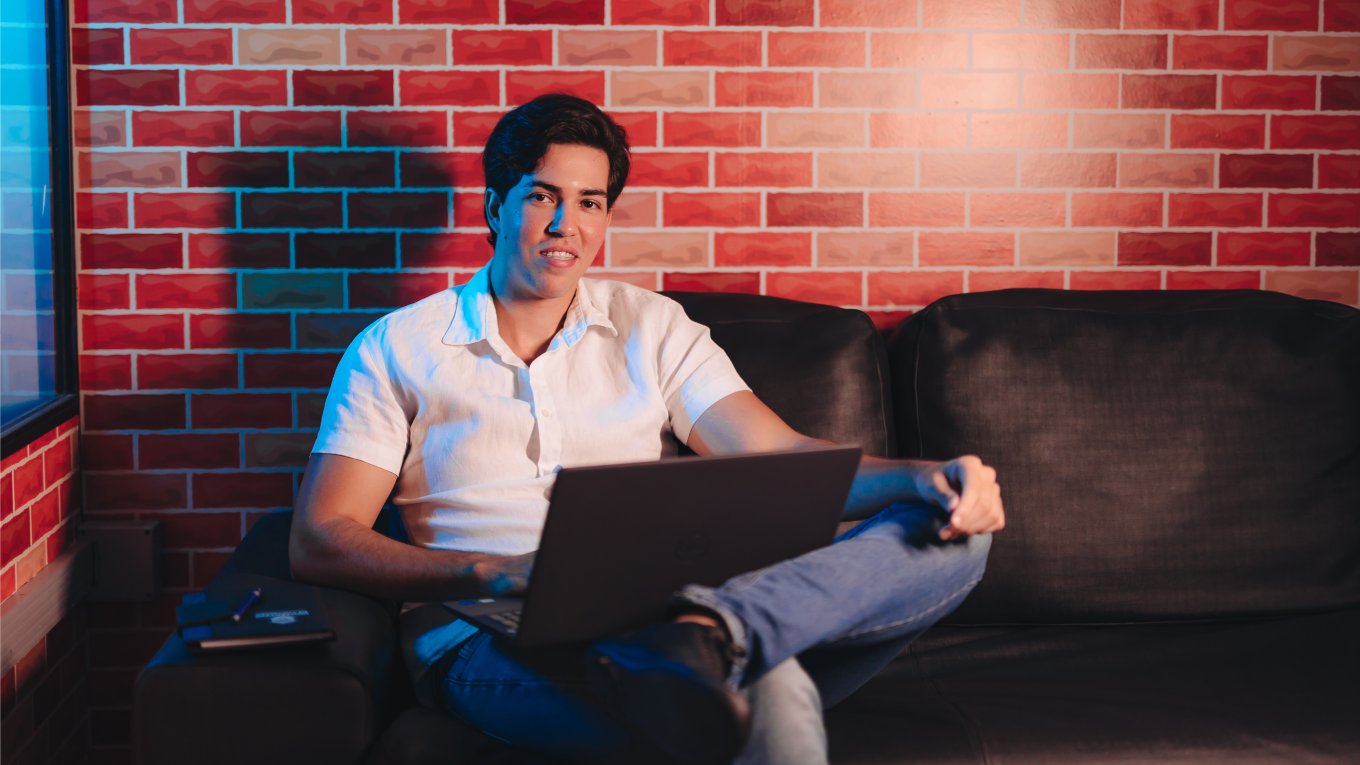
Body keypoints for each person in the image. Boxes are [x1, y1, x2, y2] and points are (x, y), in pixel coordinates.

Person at [291, 93, 1005, 765]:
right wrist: (493, 570)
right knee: (769, 688)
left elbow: (779, 456)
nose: (565, 223)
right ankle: (715, 643)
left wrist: (921, 475)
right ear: (495, 206)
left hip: (657, 611)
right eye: (542, 195)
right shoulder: (397, 346)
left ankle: (713, 630)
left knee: (954, 533)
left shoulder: (653, 327)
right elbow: (322, 537)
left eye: (589, 202)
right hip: (485, 632)